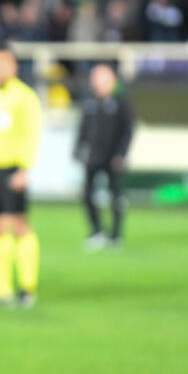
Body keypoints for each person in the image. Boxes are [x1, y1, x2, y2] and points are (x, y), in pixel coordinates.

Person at [0, 45, 42, 306]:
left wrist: (25, 169)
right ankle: (1, 288)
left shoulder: (25, 97)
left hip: (14, 168)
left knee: (19, 225)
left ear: (14, 66)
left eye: (3, 63)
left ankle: (27, 287)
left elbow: (31, 134)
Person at [75, 64, 136, 249]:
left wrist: (121, 154)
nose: (96, 83)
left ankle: (115, 236)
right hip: (93, 156)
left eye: (100, 79)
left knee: (115, 196)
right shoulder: (90, 103)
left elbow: (128, 131)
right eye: (95, 79)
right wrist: (78, 149)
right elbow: (83, 129)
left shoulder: (121, 103)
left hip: (113, 157)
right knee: (88, 194)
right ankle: (96, 231)